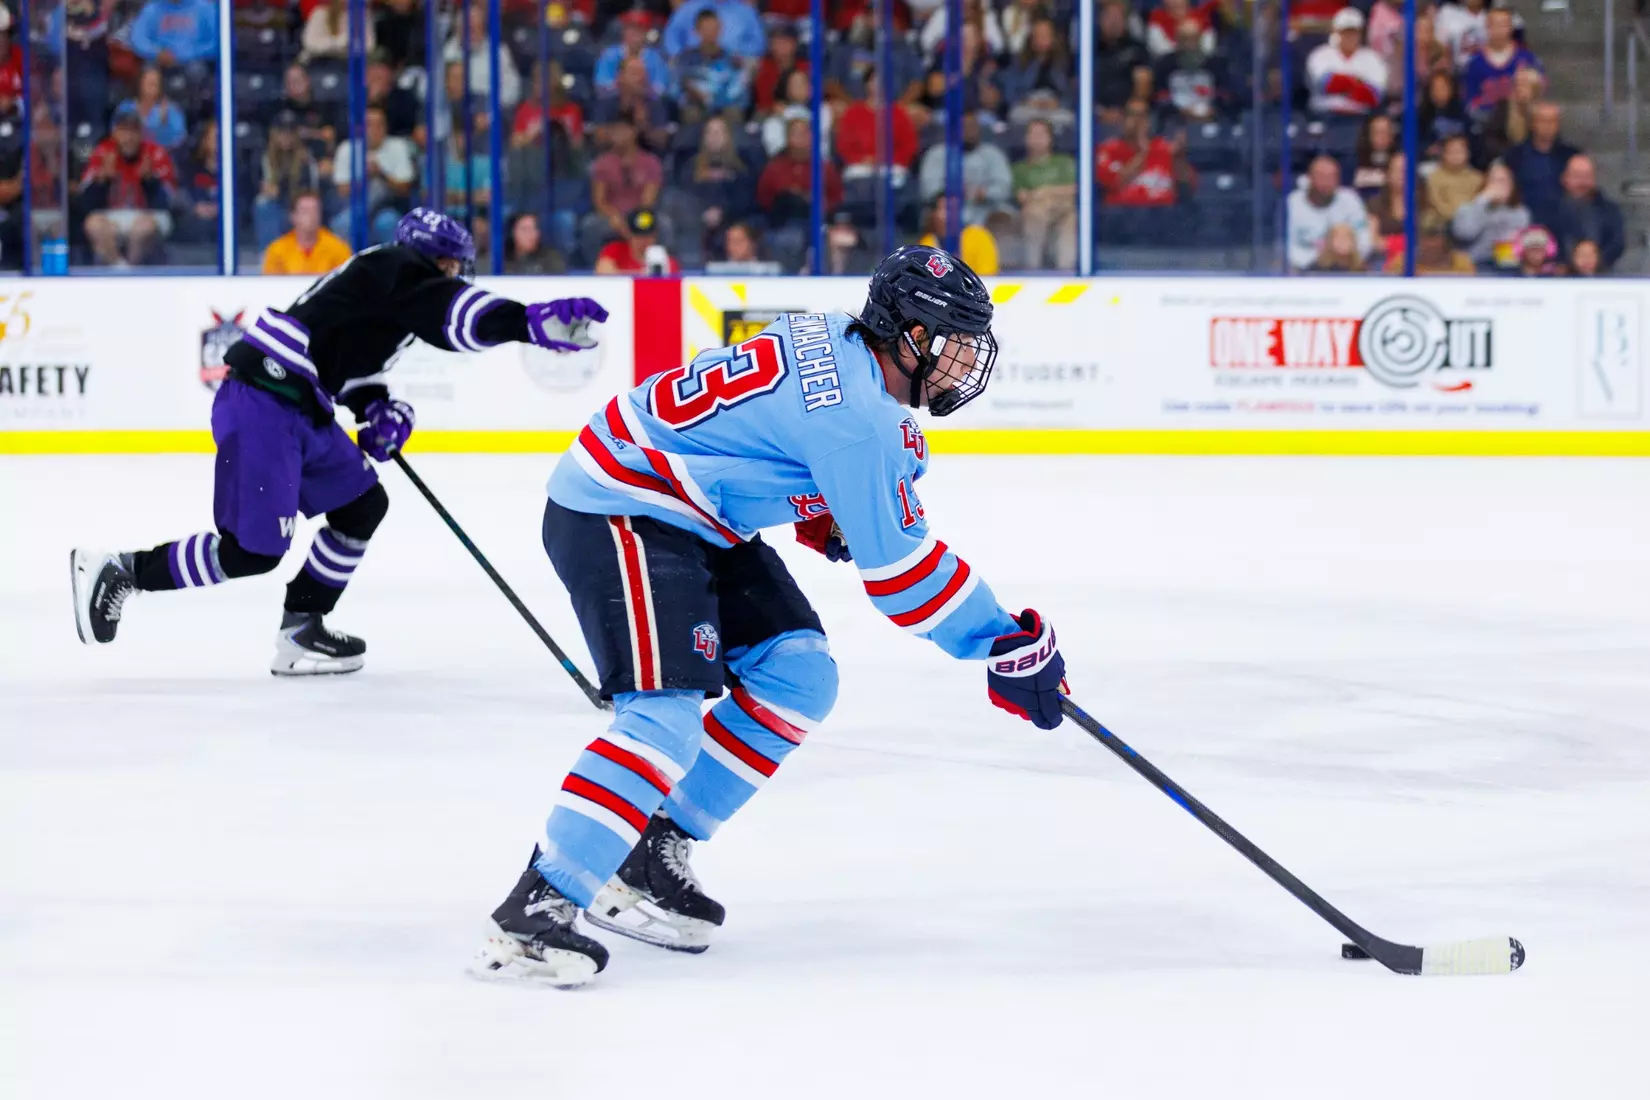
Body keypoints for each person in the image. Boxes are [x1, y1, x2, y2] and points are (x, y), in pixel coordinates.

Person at [471, 245, 1068, 988]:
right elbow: (902, 577)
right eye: (952, 343)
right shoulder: (860, 424)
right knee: (664, 718)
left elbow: (757, 430)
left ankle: (648, 854)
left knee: (799, 674)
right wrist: (1003, 642)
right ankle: (535, 910)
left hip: (688, 506)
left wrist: (816, 501)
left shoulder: (835, 336)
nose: (962, 363)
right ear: (908, 335)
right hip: (621, 506)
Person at [71, 210, 608, 674]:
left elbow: (349, 363)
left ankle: (303, 625)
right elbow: (457, 317)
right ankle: (123, 570)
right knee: (252, 552)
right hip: (265, 402)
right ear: (438, 262)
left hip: (298, 405)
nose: (456, 277)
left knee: (361, 505)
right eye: (453, 268)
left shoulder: (388, 287)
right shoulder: (396, 269)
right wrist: (528, 322)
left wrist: (377, 407)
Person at [79, 105, 177, 267]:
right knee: (93, 224)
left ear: (141, 134)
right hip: (112, 216)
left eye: (133, 131)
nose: (128, 138)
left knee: (142, 228)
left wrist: (150, 180)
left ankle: (130, 270)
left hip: (149, 215)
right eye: (123, 131)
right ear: (114, 133)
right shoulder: (103, 152)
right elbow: (84, 203)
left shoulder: (155, 153)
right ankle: (122, 270)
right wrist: (103, 181)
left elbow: (169, 203)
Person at [331, 105, 419, 244]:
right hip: (355, 207)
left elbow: (405, 188)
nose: (374, 130)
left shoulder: (398, 146)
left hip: (387, 208)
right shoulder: (347, 148)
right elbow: (342, 190)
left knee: (388, 222)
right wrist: (364, 177)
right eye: (369, 125)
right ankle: (350, 265)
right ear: (360, 128)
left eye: (380, 124)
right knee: (342, 223)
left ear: (386, 127)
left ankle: (389, 265)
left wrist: (381, 174)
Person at [583, 117, 664, 260]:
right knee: (591, 225)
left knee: (664, 225)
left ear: (634, 132)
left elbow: (648, 200)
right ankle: (595, 269)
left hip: (641, 214)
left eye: (622, 130)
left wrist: (633, 221)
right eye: (614, 130)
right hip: (611, 216)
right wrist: (616, 218)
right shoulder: (602, 163)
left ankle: (662, 268)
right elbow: (600, 201)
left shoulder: (650, 162)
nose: (617, 134)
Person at [917, 112, 1015, 230]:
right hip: (949, 208)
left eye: (973, 127)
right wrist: (951, 192)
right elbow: (929, 189)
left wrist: (985, 193)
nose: (969, 131)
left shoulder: (992, 153)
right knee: (937, 215)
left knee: (1004, 218)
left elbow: (1004, 186)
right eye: (964, 127)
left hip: (987, 209)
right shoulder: (937, 154)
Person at [1096, 98, 1197, 209]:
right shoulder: (1109, 149)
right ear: (1123, 120)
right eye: (1132, 115)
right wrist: (1143, 153)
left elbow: (1187, 190)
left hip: (1162, 217)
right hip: (1123, 217)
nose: (1138, 120)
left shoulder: (1164, 148)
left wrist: (1179, 158)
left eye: (1143, 115)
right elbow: (1115, 184)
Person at [1285, 154, 1372, 272]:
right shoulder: (1293, 203)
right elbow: (1287, 246)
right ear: (1309, 178)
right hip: (1302, 272)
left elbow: (1364, 239)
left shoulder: (1351, 200)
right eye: (1321, 176)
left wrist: (1340, 259)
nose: (1326, 182)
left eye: (1331, 177)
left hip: (1346, 270)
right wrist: (1321, 259)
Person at [1012, 117, 1077, 269]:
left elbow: (1075, 188)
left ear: (1050, 138)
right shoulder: (1019, 168)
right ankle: (1032, 269)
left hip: (1065, 210)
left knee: (1071, 219)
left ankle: (1067, 272)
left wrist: (1044, 191)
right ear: (1026, 139)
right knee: (1035, 212)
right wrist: (1047, 196)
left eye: (1041, 134)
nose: (1037, 139)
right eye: (1033, 134)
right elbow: (1022, 197)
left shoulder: (1064, 162)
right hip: (1036, 212)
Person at [1504, 102, 1578, 233]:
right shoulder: (1515, 155)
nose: (1547, 126)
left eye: (1552, 121)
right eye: (1542, 121)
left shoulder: (1571, 156)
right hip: (1524, 223)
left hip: (1562, 223)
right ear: (1532, 124)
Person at [254, 111, 322, 249]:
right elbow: (257, 183)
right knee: (263, 205)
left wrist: (280, 192)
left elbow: (310, 191)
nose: (286, 137)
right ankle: (269, 255)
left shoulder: (305, 159)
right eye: (282, 132)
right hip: (276, 206)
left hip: (296, 206)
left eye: (290, 132)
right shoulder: (264, 157)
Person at [673, 8, 751, 125]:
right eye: (706, 29)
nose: (710, 33)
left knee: (734, 113)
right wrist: (691, 95)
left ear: (721, 29)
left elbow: (741, 94)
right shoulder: (684, 59)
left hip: (726, 107)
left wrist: (715, 100)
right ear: (696, 31)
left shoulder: (734, 60)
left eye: (714, 28)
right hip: (695, 108)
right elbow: (675, 90)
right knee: (691, 112)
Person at [1304, 8, 1388, 118]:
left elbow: (1373, 96)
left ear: (1361, 33)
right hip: (1325, 116)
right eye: (1345, 32)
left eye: (1353, 32)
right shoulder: (1319, 54)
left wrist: (1342, 83)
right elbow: (1326, 84)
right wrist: (1358, 82)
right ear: (1336, 32)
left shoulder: (1373, 58)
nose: (1349, 37)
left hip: (1360, 118)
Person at [1461, 8, 1541, 123]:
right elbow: (1469, 100)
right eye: (1494, 25)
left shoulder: (1527, 58)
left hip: (1520, 122)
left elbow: (1537, 93)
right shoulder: (1474, 62)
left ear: (1511, 27)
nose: (1498, 30)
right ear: (1487, 27)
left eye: (1503, 25)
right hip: (1485, 124)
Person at [1550, 155, 1625, 273]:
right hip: (1560, 278)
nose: (1582, 182)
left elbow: (1617, 243)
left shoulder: (1610, 210)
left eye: (1587, 176)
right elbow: (1547, 241)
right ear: (1564, 178)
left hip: (1601, 276)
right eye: (1577, 176)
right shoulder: (1550, 210)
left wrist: (1596, 262)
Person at [1151, 15, 1231, 123]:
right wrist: (1180, 111)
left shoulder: (1215, 64)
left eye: (1193, 38)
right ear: (1177, 39)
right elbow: (1159, 97)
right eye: (1184, 38)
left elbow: (1224, 94)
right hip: (1175, 120)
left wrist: (1213, 110)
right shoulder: (1165, 64)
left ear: (1200, 38)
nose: (1189, 44)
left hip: (1210, 118)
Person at [1451, 161, 1530, 270]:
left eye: (1502, 181)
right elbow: (1465, 233)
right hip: (1475, 266)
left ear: (1512, 186)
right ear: (1485, 184)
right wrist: (1482, 200)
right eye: (1493, 181)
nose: (1498, 187)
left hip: (1507, 266)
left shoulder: (1520, 212)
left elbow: (1514, 252)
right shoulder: (1467, 208)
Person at [262, 191, 352, 275]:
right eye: (305, 211)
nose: (312, 216)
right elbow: (271, 286)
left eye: (315, 210)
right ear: (293, 216)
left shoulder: (339, 248)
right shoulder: (277, 251)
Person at [1095, 0, 1152, 127]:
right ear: (1100, 19)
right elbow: (1077, 85)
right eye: (1109, 16)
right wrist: (1100, 111)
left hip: (1128, 112)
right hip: (1095, 110)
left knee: (1139, 109)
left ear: (1125, 21)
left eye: (1118, 17)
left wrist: (1125, 111)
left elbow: (1143, 83)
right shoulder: (1089, 48)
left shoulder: (1136, 48)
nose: (1114, 22)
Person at [594, 10, 671, 98]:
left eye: (640, 29)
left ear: (646, 33)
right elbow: (601, 86)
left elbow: (660, 89)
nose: (635, 34)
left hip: (647, 103)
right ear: (623, 31)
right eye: (631, 29)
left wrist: (640, 89)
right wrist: (623, 85)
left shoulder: (655, 59)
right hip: (615, 102)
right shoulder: (610, 55)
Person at [662, 0, 765, 62]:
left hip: (734, 65)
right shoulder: (688, 8)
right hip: (694, 64)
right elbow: (671, 38)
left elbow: (758, 44)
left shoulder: (745, 11)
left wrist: (738, 55)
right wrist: (681, 57)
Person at [918, 196, 999, 275]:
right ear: (934, 214)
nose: (952, 214)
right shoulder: (927, 243)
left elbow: (988, 274)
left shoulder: (979, 235)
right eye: (947, 209)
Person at [128, 0, 218, 68]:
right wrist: (157, 52)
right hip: (160, 64)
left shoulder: (205, 8)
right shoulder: (152, 8)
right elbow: (137, 39)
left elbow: (218, 42)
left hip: (195, 64)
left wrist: (187, 54)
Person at [117, 66, 187, 151]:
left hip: (162, 156)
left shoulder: (171, 110)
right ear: (140, 83)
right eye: (148, 82)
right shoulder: (126, 107)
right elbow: (116, 133)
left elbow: (179, 139)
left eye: (155, 83)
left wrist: (164, 124)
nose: (151, 87)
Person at [1382, 212, 1476, 275]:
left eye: (1434, 237)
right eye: (1425, 237)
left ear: (1445, 239)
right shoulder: (1402, 262)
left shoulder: (1462, 263)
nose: (1429, 244)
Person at [594, 206, 681, 274]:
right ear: (629, 234)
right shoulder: (615, 250)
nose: (644, 240)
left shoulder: (664, 259)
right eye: (638, 236)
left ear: (655, 235)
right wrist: (641, 275)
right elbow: (602, 271)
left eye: (647, 236)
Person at [1426, 133, 1484, 222]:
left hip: (1472, 221)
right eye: (1451, 152)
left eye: (1460, 152)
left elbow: (1479, 202)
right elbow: (1437, 203)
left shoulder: (1477, 178)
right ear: (1444, 154)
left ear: (1467, 153)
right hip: (1443, 222)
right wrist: (1454, 217)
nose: (1456, 156)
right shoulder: (1435, 178)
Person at [301, 0, 369, 61]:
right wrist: (340, 43)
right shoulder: (320, 13)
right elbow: (310, 43)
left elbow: (368, 45)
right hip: (319, 61)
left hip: (349, 63)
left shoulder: (362, 15)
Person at [504, 212, 568, 274]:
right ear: (513, 233)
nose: (530, 234)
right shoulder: (502, 261)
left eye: (534, 228)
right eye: (524, 229)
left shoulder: (552, 258)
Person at [1351, 113, 1396, 201]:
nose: (1382, 137)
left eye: (1386, 132)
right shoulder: (1354, 162)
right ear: (1369, 135)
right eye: (1378, 132)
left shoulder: (1399, 161)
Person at [1304, 222, 1369, 273]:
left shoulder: (1360, 269)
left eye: (1346, 237)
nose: (1342, 241)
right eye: (1337, 237)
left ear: (1353, 242)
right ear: (1330, 242)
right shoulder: (1317, 268)